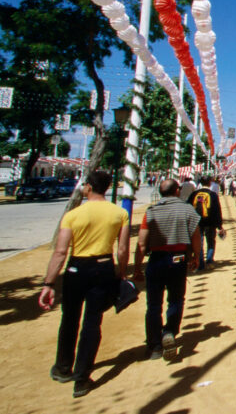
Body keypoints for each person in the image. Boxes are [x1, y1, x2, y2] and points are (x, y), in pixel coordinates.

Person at [39, 170, 130, 398]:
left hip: (76, 268)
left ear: (89, 187)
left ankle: (62, 367)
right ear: (107, 188)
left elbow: (60, 251)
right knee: (92, 322)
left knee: (69, 319)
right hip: (104, 266)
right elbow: (122, 249)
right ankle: (81, 378)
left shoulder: (73, 214)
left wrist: (48, 283)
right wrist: (121, 272)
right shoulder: (119, 213)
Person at [132, 178, 202, 361]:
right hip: (178, 258)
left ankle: (154, 345)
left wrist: (137, 267)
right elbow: (196, 236)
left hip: (156, 259)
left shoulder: (151, 212)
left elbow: (141, 243)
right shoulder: (187, 210)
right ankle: (170, 330)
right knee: (176, 298)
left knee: (154, 304)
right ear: (177, 191)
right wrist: (196, 256)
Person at [187, 176, 226, 270]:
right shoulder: (212, 195)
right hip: (210, 222)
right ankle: (209, 260)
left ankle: (200, 262)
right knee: (211, 241)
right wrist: (219, 225)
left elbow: (188, 207)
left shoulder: (194, 194)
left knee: (198, 242)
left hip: (197, 222)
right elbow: (217, 210)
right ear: (209, 183)